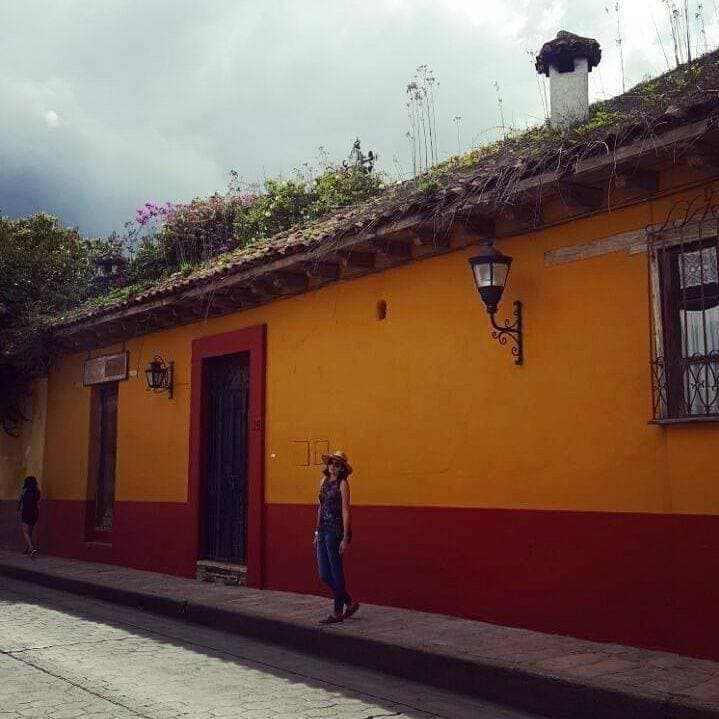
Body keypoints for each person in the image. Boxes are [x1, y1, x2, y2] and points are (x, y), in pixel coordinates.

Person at [314, 450, 360, 624]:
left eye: (337, 464)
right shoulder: (323, 482)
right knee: (324, 574)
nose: (333, 466)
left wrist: (345, 537)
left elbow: (345, 510)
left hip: (335, 532)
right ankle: (349, 601)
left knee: (336, 571)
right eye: (332, 463)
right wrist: (316, 531)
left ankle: (337, 612)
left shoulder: (343, 484)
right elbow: (320, 507)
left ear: (342, 469)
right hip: (323, 530)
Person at [18, 476, 41, 558]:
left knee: (25, 532)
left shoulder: (24, 491)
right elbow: (38, 501)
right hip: (35, 512)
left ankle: (32, 549)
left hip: (26, 512)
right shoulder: (37, 491)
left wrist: (18, 508)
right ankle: (26, 549)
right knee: (30, 532)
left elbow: (19, 500)